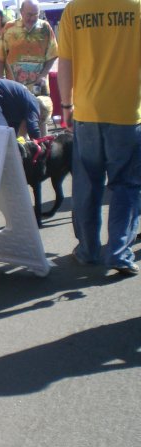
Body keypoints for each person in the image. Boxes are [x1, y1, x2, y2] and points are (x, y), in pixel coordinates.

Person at [56, 0, 140, 276]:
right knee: (126, 185)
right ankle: (118, 252)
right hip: (127, 111)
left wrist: (66, 106)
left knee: (87, 184)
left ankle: (89, 250)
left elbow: (65, 62)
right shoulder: (136, 7)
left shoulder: (75, 9)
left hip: (87, 110)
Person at [0, 0, 57, 136]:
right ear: (21, 12)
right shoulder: (9, 28)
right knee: (20, 121)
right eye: (29, 14)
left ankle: (43, 153)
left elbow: (53, 54)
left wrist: (43, 74)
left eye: (36, 14)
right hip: (16, 87)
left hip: (38, 85)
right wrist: (0, 78)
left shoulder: (45, 28)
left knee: (41, 118)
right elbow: (0, 55)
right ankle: (24, 153)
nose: (33, 18)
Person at [0, 74, 42, 139]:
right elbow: (33, 130)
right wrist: (41, 145)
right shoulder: (34, 103)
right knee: (3, 139)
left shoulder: (20, 108)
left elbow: (15, 135)